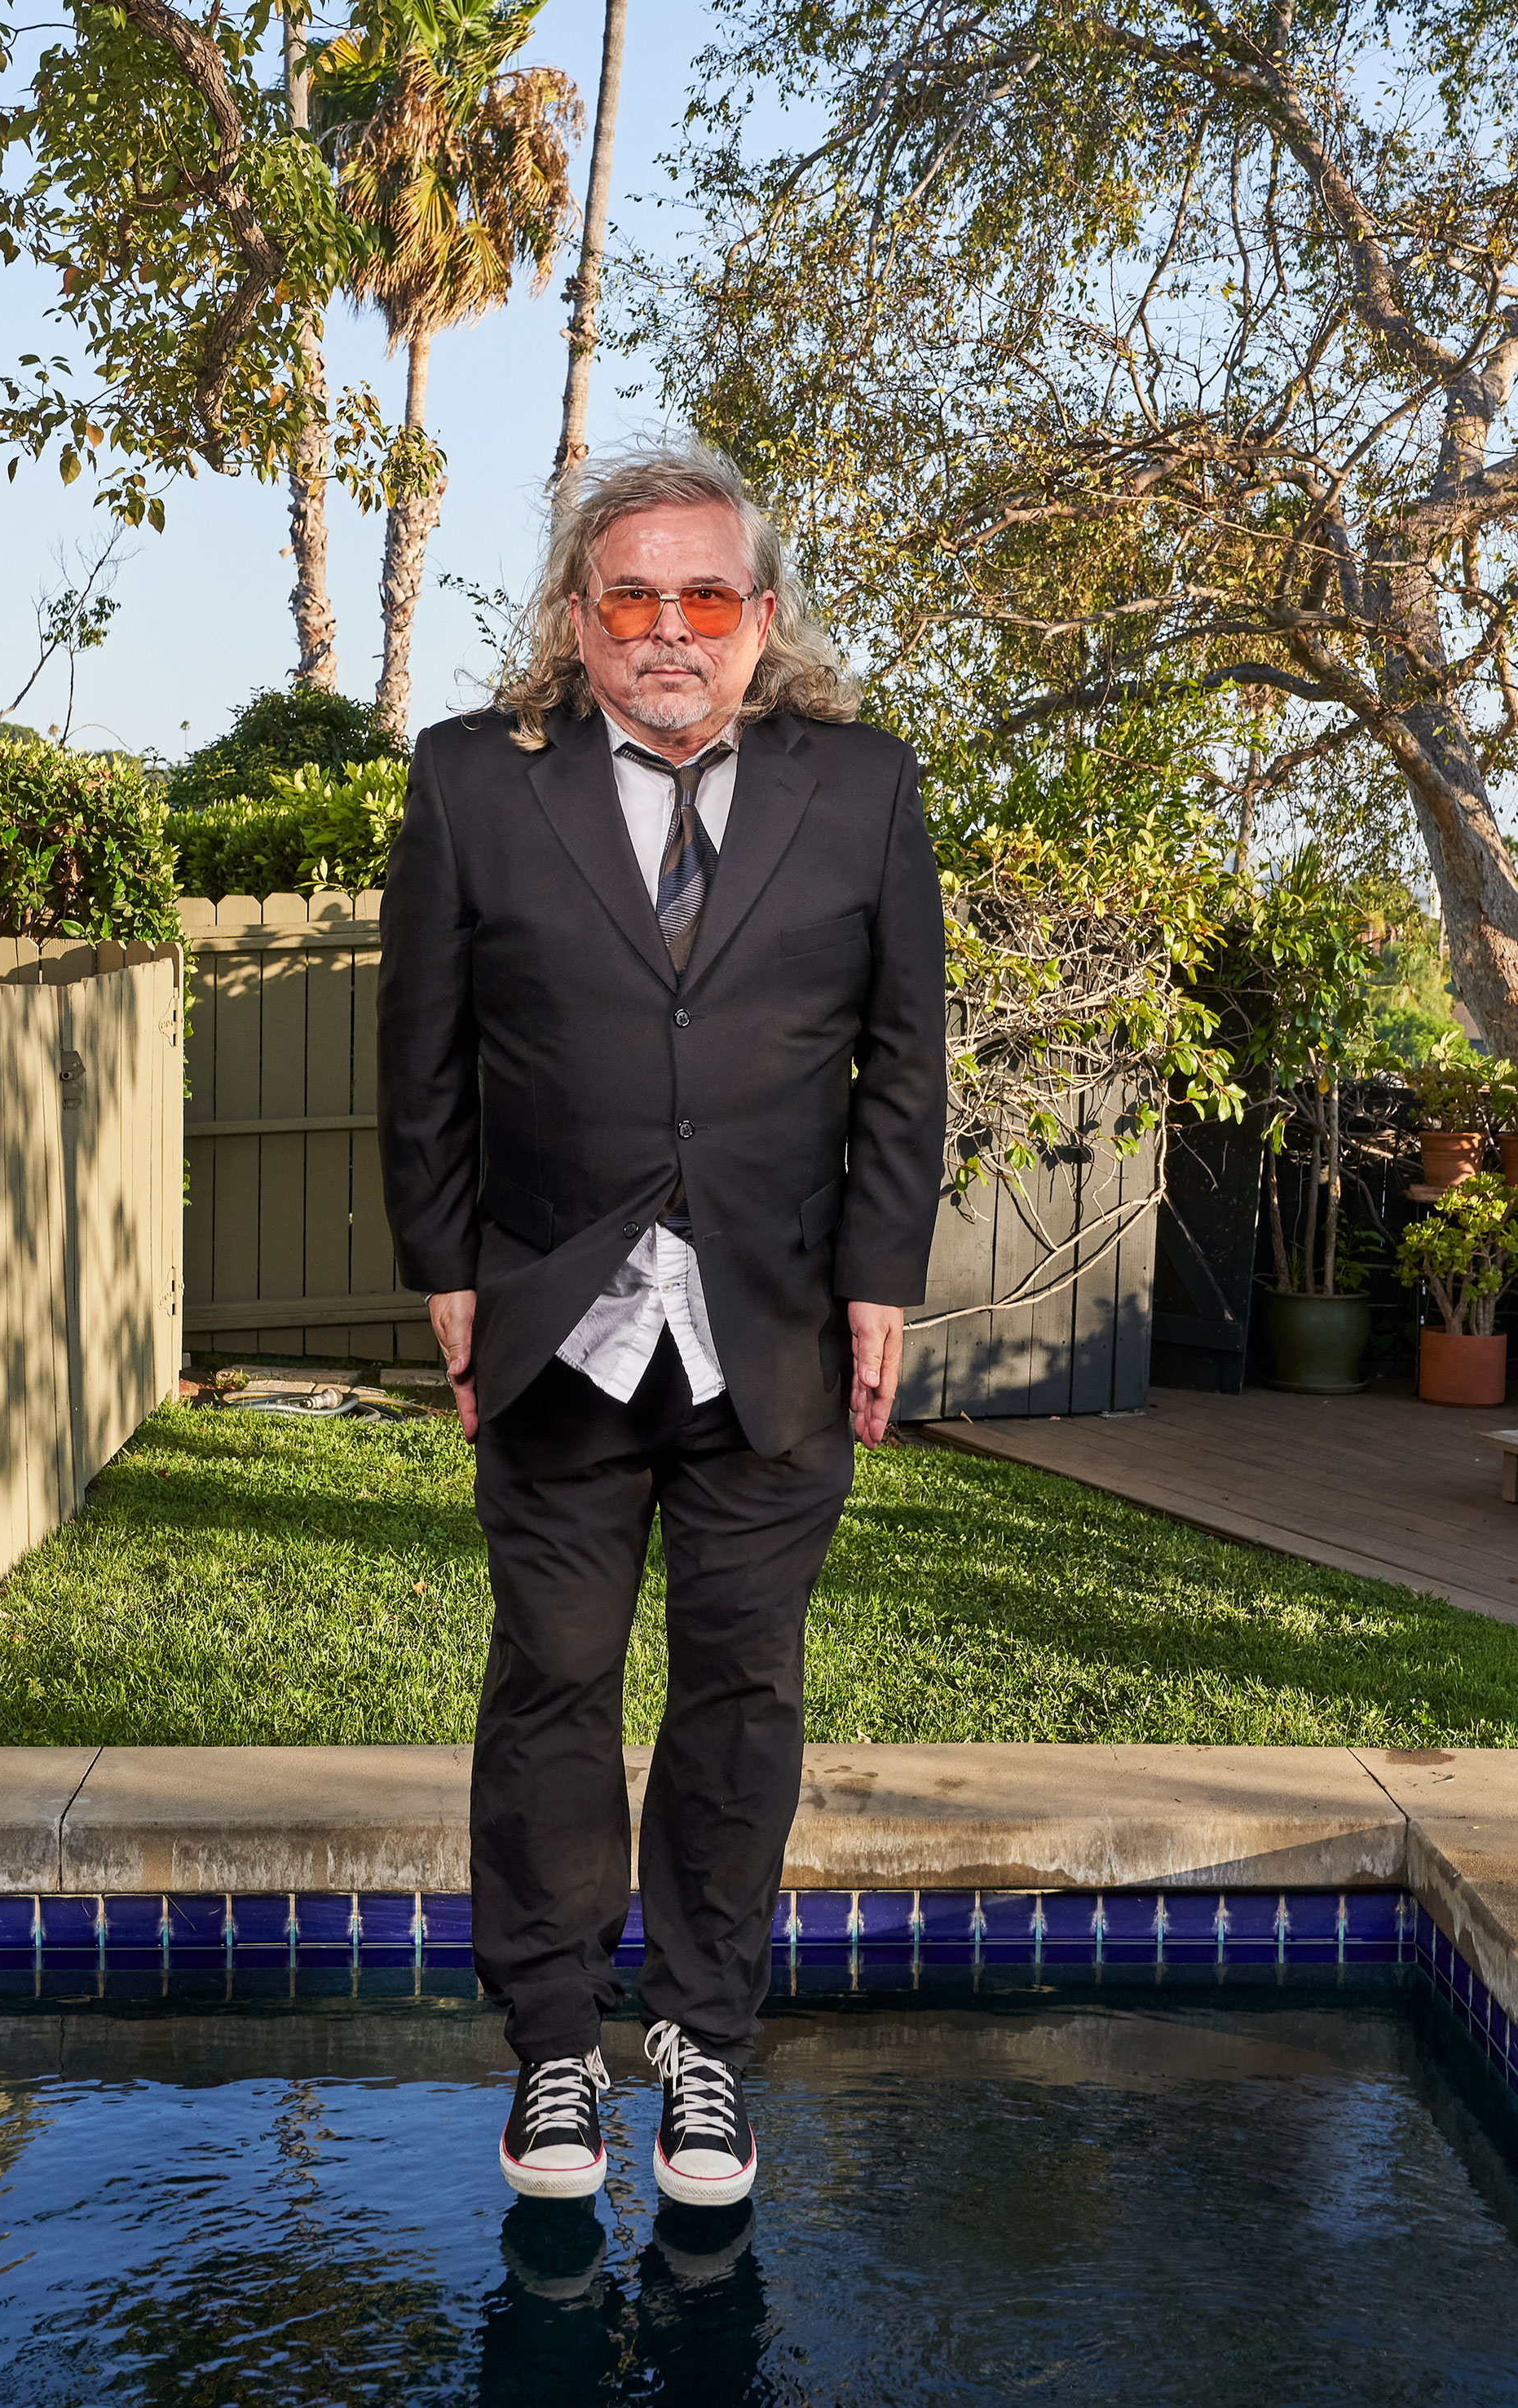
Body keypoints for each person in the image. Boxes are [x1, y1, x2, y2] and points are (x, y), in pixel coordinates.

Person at [377, 444, 947, 2207]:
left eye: (707, 597)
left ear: (762, 621)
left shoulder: (859, 790)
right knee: (549, 1678)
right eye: (633, 597)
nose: (670, 632)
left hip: (771, 1322)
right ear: (577, 618)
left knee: (740, 1687)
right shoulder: (478, 784)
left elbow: (903, 1064)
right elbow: (423, 1054)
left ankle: (700, 2039)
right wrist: (445, 1266)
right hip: (552, 1312)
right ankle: (553, 2043)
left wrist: (880, 1279)